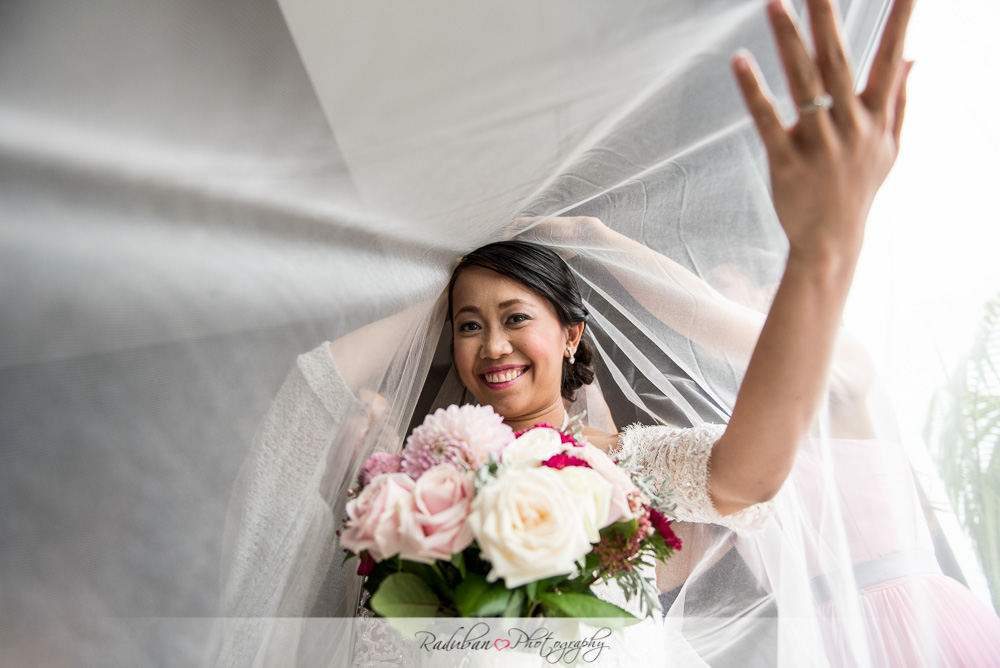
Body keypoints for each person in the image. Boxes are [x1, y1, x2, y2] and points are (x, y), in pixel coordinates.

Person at [214, 0, 1000, 665]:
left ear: (573, 339)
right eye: (468, 327)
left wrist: (822, 250)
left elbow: (750, 476)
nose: (491, 345)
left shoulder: (632, 468)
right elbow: (311, 388)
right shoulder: (415, 482)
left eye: (517, 319)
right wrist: (448, 286)